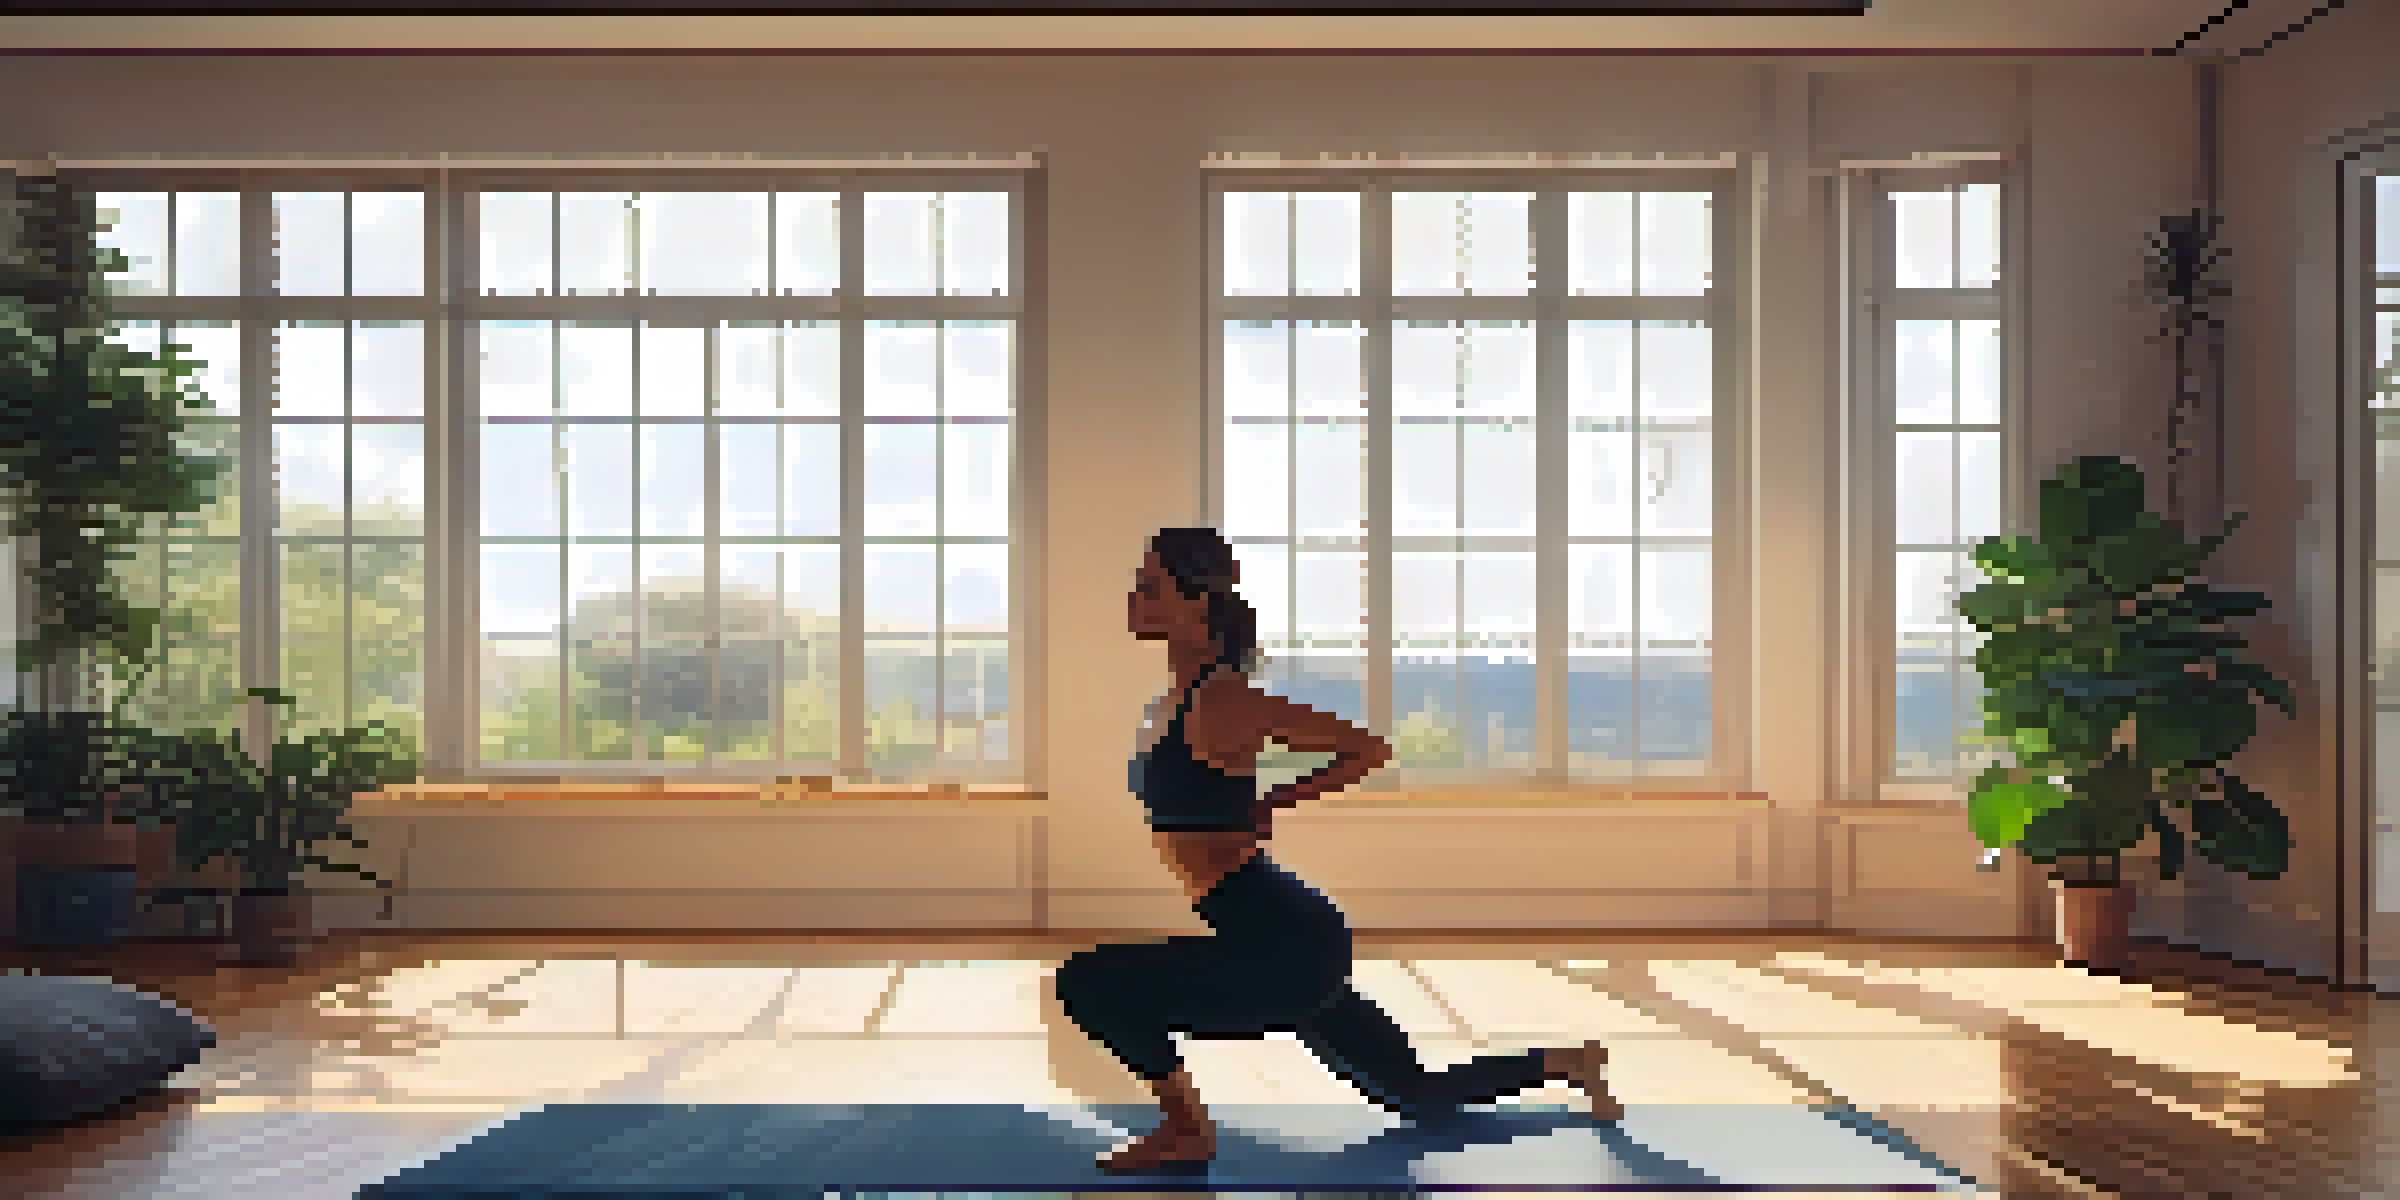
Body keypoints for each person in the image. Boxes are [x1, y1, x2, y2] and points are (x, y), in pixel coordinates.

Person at [1054, 526, 1624, 1174]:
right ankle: (1567, 1063)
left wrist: (1274, 802)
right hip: (1278, 936)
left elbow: (1368, 749)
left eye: (1150, 586)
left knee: (1089, 982)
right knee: (1418, 1095)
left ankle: (1186, 1130)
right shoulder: (1172, 703)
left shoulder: (1225, 701)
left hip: (1282, 945)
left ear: (1196, 604)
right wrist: (1258, 803)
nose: (1134, 597)